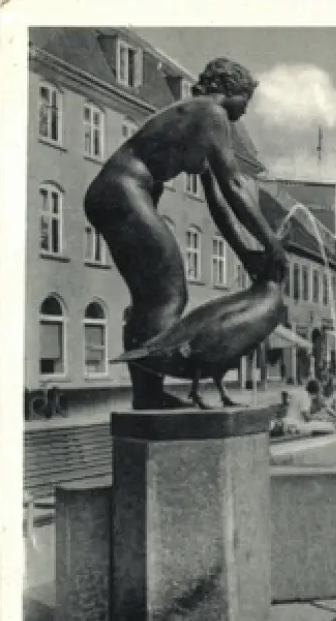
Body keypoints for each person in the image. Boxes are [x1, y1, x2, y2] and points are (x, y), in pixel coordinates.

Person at [84, 57, 278, 410]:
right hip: (124, 190)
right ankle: (148, 393)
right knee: (168, 293)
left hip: (112, 193)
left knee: (150, 297)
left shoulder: (196, 118)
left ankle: (146, 393)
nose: (246, 110)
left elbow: (217, 202)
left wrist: (244, 252)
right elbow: (234, 186)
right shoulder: (211, 113)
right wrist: (272, 244)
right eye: (245, 99)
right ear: (228, 89)